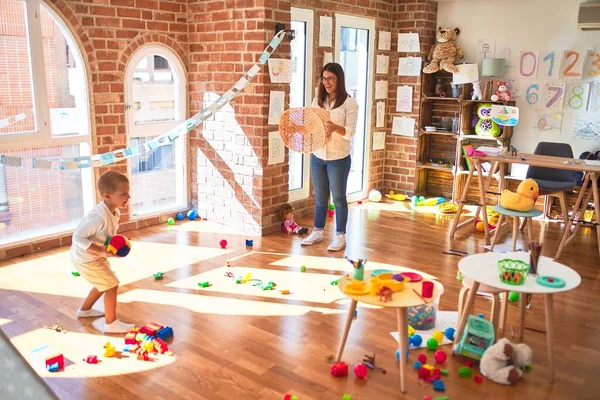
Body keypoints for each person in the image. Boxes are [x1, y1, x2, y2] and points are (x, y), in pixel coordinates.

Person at [301, 63, 358, 252]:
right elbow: (310, 123)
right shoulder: (317, 100)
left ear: (339, 80)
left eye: (331, 78)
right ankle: (317, 231)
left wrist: (334, 128)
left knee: (339, 198)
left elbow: (350, 133)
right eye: (324, 78)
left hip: (339, 158)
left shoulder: (349, 103)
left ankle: (340, 236)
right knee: (320, 198)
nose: (327, 82)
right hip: (318, 155)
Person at [70, 171, 134, 333]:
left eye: (128, 192)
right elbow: (78, 237)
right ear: (107, 196)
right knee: (111, 285)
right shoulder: (98, 217)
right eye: (124, 194)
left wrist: (112, 245)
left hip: (94, 256)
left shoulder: (115, 211)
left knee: (102, 283)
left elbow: (104, 234)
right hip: (86, 258)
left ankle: (84, 311)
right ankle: (111, 324)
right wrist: (100, 251)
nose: (128, 197)